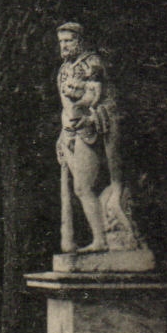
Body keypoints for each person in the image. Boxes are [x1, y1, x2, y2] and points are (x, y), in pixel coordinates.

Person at [54, 22, 139, 252]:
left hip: (91, 128)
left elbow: (94, 96)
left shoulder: (92, 63)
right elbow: (66, 105)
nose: (64, 45)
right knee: (81, 188)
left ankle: (103, 239)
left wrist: (81, 105)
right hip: (71, 131)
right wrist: (63, 133)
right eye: (61, 41)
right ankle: (100, 239)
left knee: (83, 186)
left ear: (80, 40)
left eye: (68, 40)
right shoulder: (64, 69)